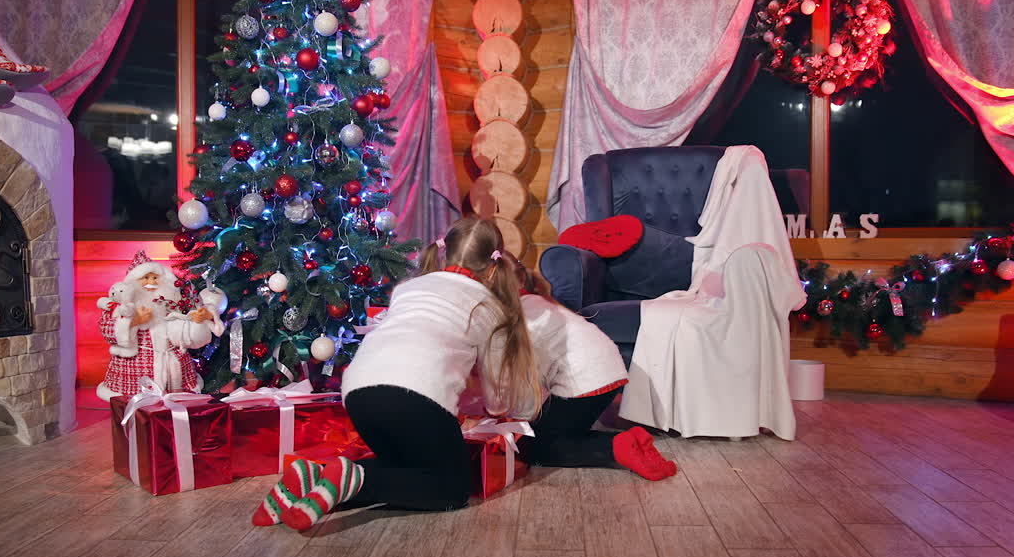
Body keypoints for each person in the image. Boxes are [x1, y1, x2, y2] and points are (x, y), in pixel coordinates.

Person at [253, 217, 541, 530]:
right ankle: (355, 477)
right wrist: (496, 411)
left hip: (359, 391)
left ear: (445, 252)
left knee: (403, 470)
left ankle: (314, 480)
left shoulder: (410, 288)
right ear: (494, 267)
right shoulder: (490, 307)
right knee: (451, 488)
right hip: (418, 395)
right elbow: (498, 393)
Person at [502, 255, 676, 480]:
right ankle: (628, 443)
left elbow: (526, 382)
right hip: (609, 372)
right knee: (557, 432)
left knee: (533, 447)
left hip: (586, 381)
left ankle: (616, 446)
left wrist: (514, 418)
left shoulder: (521, 320)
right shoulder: (538, 302)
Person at [96, 250, 219, 400]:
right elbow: (108, 331)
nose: (151, 282)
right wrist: (135, 322)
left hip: (173, 367)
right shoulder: (118, 307)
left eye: (155, 278)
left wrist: (198, 320)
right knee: (135, 404)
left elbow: (187, 331)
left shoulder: (172, 303)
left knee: (177, 403)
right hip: (134, 369)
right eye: (145, 278)